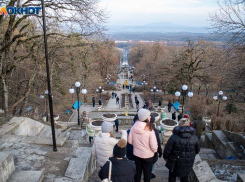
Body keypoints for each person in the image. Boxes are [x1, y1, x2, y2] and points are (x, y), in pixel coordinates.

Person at [128, 108, 158, 182]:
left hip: (136, 154)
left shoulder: (133, 127)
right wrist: (154, 151)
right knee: (147, 174)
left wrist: (137, 146)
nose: (150, 117)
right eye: (149, 116)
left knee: (138, 173)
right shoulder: (150, 130)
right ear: (145, 117)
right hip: (148, 156)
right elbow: (154, 147)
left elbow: (129, 141)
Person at [150, 114, 162, 179]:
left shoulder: (144, 128)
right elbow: (158, 142)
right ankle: (151, 173)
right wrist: (160, 152)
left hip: (144, 151)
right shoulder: (155, 130)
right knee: (153, 162)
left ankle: (145, 174)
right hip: (153, 151)